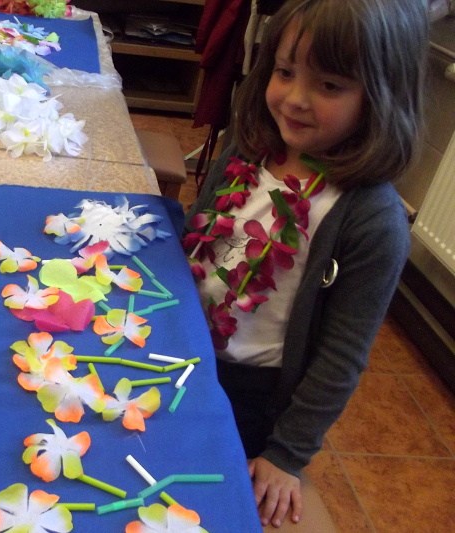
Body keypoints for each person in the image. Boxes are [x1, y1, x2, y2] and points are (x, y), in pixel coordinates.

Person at [182, 0, 429, 528]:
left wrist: (286, 454)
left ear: (381, 95)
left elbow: (341, 357)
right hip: (180, 343)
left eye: (329, 85)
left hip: (248, 393)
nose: (295, 99)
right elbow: (197, 238)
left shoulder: (372, 221)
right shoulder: (247, 148)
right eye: (285, 71)